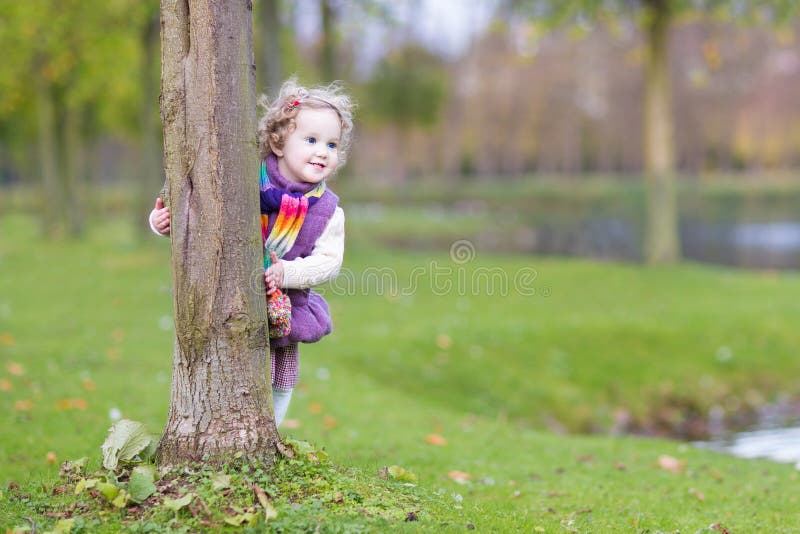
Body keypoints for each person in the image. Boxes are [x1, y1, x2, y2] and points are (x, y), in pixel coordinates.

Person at [148, 78, 353, 427]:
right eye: (311, 140)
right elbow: (206, 222)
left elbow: (329, 263)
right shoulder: (244, 180)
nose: (323, 151)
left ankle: (267, 430)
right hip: (226, 299)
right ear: (277, 142)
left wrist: (288, 272)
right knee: (221, 365)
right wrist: (162, 221)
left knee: (280, 378)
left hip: (283, 309)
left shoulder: (327, 210)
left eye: (331, 144)